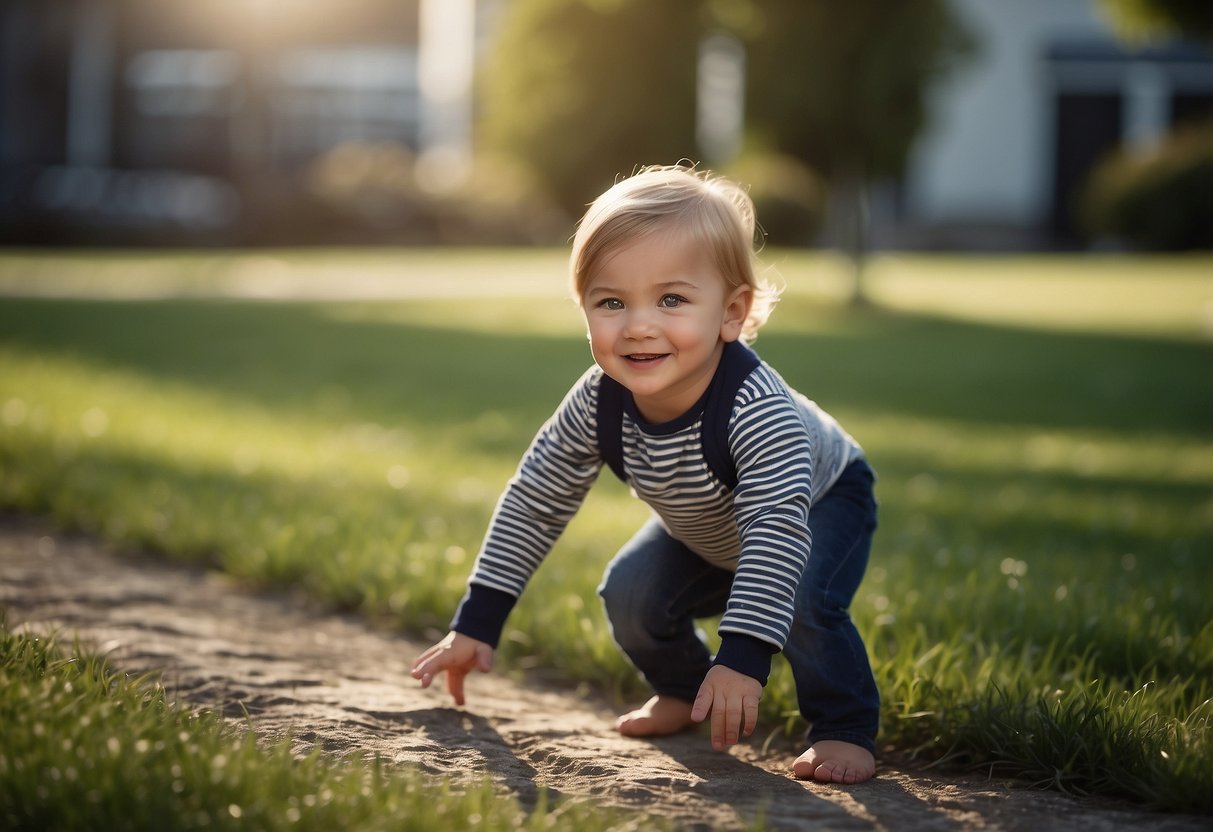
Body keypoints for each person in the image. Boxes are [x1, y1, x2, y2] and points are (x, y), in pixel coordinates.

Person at [411, 164, 881, 784]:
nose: (637, 325)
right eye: (611, 302)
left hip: (817, 503)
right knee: (631, 594)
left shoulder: (756, 409)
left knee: (803, 605)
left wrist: (742, 656)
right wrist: (478, 621)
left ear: (731, 312)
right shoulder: (599, 399)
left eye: (671, 300)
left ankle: (844, 728)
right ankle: (686, 690)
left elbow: (773, 530)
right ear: (583, 310)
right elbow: (535, 499)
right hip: (708, 523)